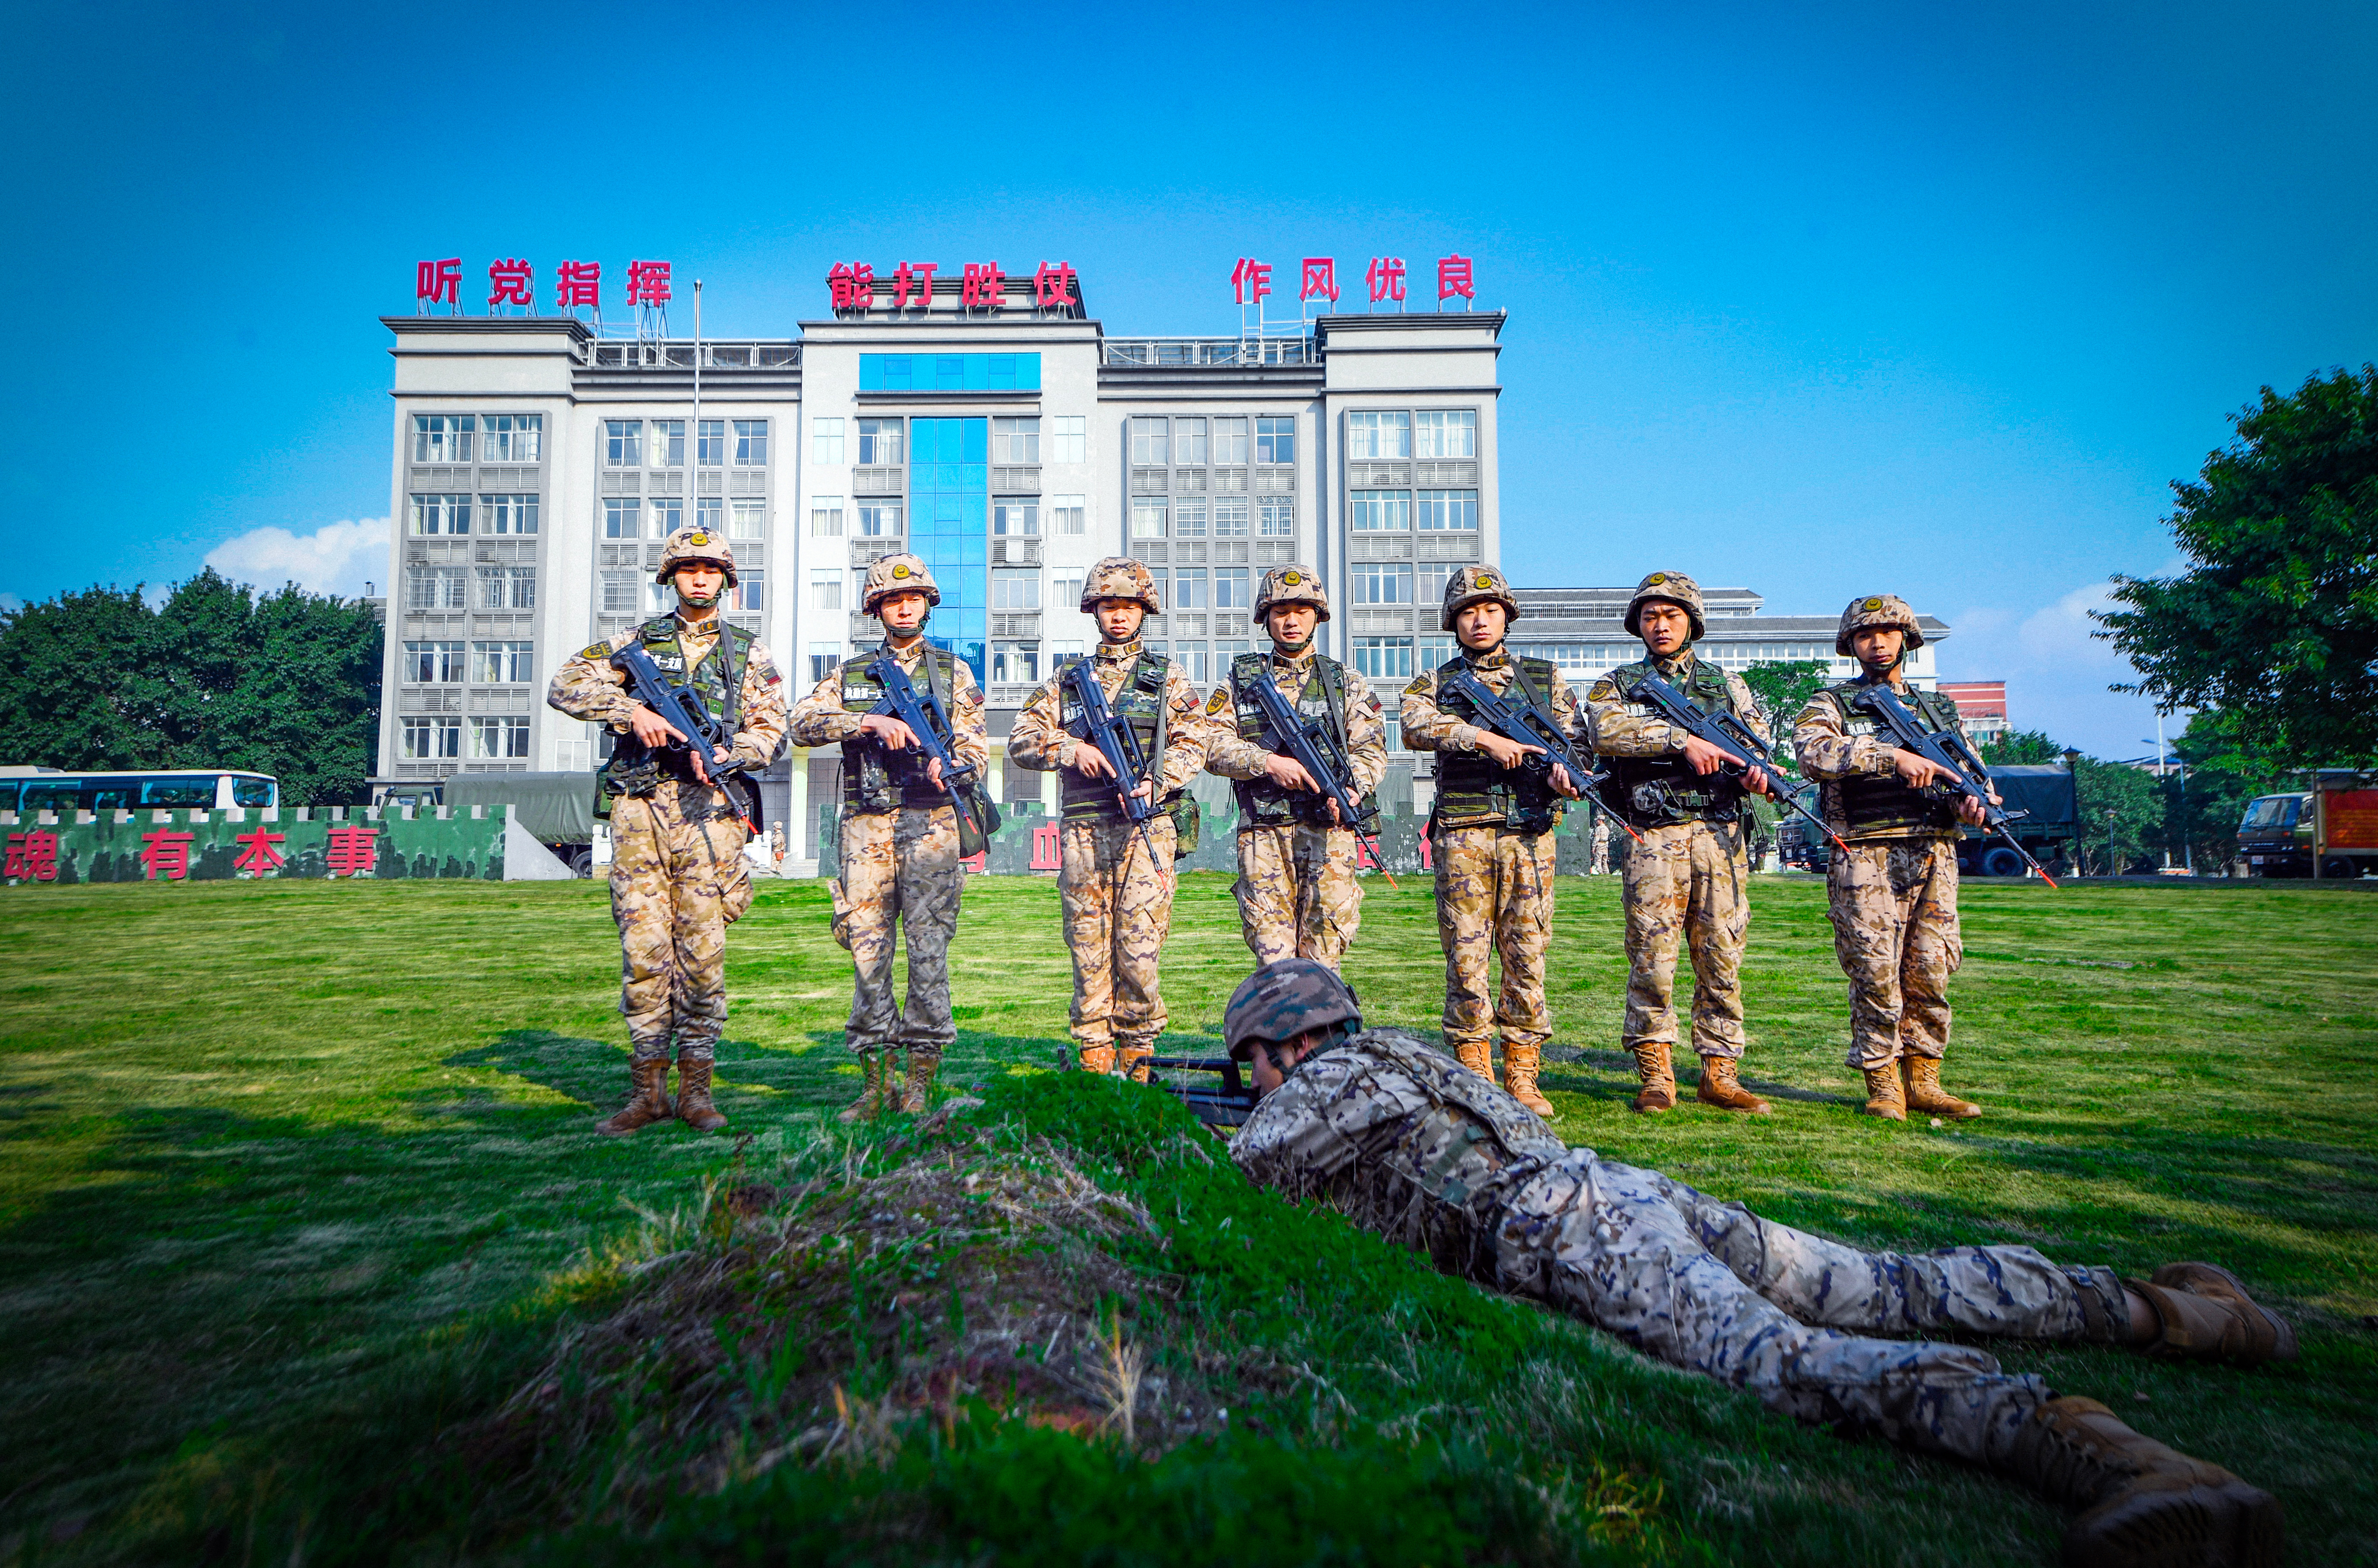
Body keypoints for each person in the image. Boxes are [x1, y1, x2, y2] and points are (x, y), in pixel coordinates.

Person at [1222, 959, 2290, 1568]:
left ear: (1286, 1045)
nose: (1254, 1085)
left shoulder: (1315, 1089)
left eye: (1249, 1066)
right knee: (1885, 1283)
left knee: (1784, 1362)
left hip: (1567, 1231)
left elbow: (1233, 1178)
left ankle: (2111, 1459)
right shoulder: (1405, 1053)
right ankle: (2177, 1311)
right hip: (1615, 1189)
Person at [548, 526, 787, 1136]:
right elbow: (565, 684)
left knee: (703, 954)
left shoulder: (748, 654)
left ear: (726, 580)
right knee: (644, 949)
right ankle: (647, 1092)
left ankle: (696, 1091)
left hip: (710, 813)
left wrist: (731, 755)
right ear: (670, 577)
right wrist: (631, 711)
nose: (700, 578)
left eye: (711, 570)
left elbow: (771, 731)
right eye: (688, 569)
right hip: (641, 810)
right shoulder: (635, 645)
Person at [786, 554, 988, 1121]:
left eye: (913, 598)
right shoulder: (851, 675)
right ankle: (876, 1085)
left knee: (929, 955)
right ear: (876, 608)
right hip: (867, 826)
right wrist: (866, 721)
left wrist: (953, 766)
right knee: (868, 953)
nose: (904, 607)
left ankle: (919, 1082)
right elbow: (800, 723)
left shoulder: (953, 672)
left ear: (927, 605)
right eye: (892, 599)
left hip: (931, 826)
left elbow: (975, 745)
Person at [1006, 558, 1214, 1081]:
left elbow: (1196, 741)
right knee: (1088, 948)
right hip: (1084, 832)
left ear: (1144, 610)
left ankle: (1138, 1067)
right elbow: (1022, 739)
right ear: (1094, 611)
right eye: (1109, 606)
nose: (1119, 616)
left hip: (1146, 828)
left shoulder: (1167, 676)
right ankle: (1096, 1068)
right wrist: (1070, 749)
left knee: (1140, 948)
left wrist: (1159, 781)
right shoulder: (1068, 681)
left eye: (1128, 606)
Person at [1584, 572, 1777, 1115]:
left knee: (1722, 956)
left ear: (1692, 621)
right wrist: (1679, 740)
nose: (1661, 626)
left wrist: (1756, 774)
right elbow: (1604, 731)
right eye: (1650, 617)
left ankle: (1720, 1072)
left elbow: (1756, 742)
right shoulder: (1617, 684)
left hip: (1719, 834)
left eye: (1671, 615)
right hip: (1654, 836)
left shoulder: (1728, 685)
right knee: (1652, 956)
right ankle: (1656, 1072)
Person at [1792, 594, 1989, 1121]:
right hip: (1865, 852)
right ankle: (1883, 1082)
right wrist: (1891, 757)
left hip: (1933, 851)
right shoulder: (1831, 704)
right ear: (1851, 644)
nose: (1877, 643)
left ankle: (1925, 1080)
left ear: (1907, 639)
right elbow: (1813, 753)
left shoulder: (1938, 709)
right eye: (1865, 635)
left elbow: (1972, 774)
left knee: (1930, 970)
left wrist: (1974, 802)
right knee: (1874, 970)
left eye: (1887, 632)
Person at [1399, 565, 1581, 1116]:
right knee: (1466, 954)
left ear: (1507, 616)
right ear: (1453, 621)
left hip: (1529, 834)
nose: (1480, 620)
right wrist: (1482, 738)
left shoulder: (1545, 679)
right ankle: (1474, 1067)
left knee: (1527, 953)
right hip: (1465, 834)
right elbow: (1413, 725)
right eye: (1469, 612)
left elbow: (1576, 742)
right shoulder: (1436, 681)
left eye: (1491, 610)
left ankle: (1523, 1073)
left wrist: (1565, 775)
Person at [1201, 564, 1388, 969]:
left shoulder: (1345, 681)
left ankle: (1326, 1015)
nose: (1291, 621)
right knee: (1274, 958)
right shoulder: (1239, 681)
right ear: (1266, 618)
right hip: (1264, 834)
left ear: (1317, 617)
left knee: (1325, 952)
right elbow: (1210, 744)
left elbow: (1371, 748)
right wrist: (1267, 762)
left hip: (1329, 832)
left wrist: (1353, 788)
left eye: (1302, 611)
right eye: (1281, 612)